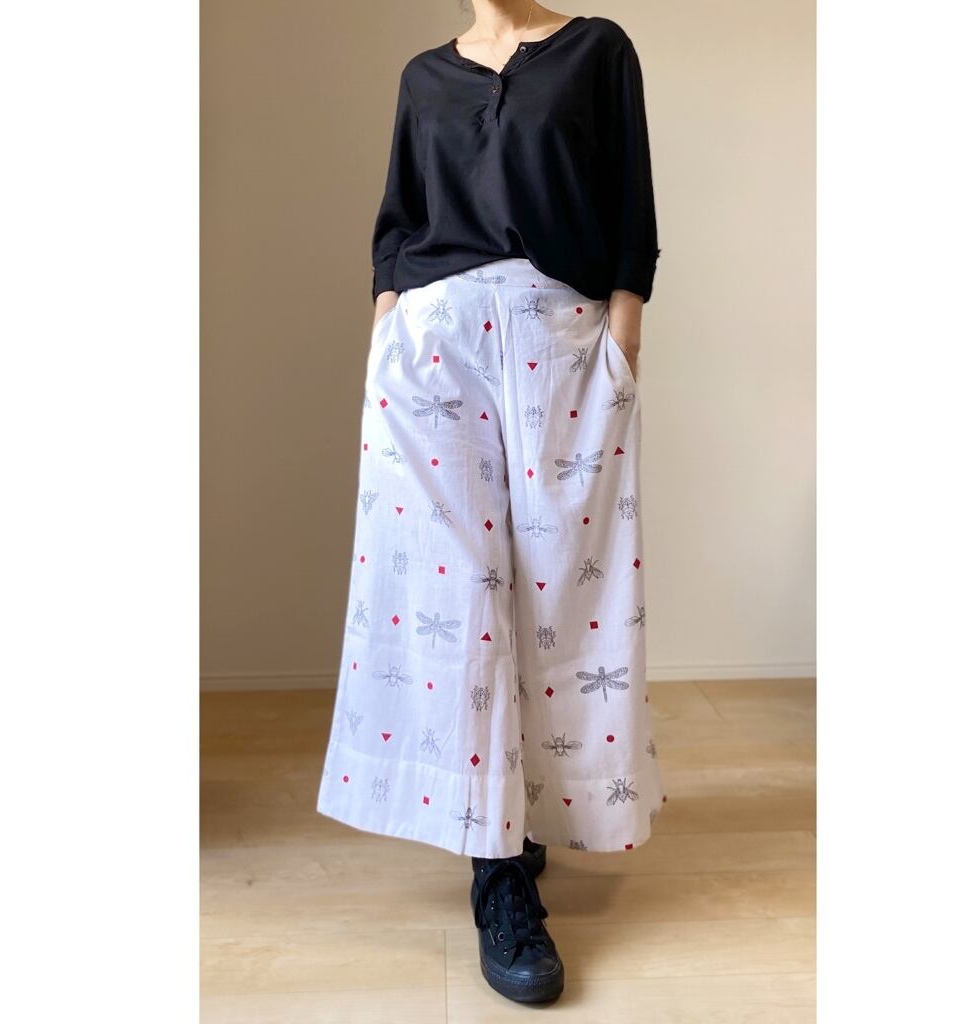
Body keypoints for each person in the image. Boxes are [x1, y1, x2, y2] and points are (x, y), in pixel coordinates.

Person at [317, 1, 663, 1004]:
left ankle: (527, 802)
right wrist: (386, 330)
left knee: (560, 595)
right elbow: (399, 224)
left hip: (560, 340)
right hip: (430, 350)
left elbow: (629, 203)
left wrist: (623, 343)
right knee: (459, 598)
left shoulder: (596, 49)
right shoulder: (425, 76)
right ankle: (498, 868)